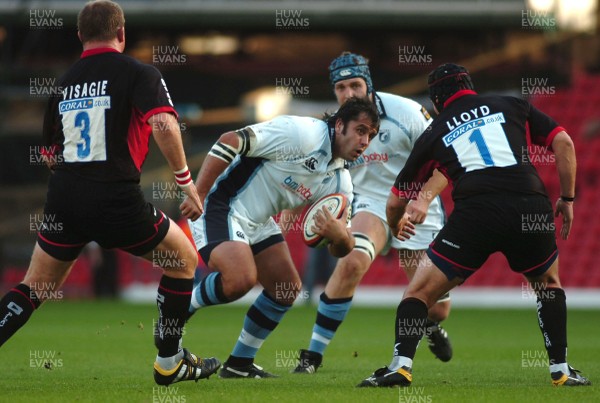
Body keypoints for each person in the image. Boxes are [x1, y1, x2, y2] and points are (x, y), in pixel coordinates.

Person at [0, 0, 220, 386]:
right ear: (122, 34)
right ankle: (170, 362)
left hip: (64, 199)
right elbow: (164, 125)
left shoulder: (64, 82)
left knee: (32, 288)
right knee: (183, 260)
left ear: (80, 36)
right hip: (116, 199)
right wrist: (186, 182)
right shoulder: (138, 72)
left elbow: (52, 156)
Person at [359, 63, 591, 387]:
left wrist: (396, 226)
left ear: (437, 100)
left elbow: (397, 200)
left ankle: (400, 366)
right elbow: (563, 142)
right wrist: (567, 199)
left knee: (419, 293)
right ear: (470, 85)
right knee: (549, 286)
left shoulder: (434, 131)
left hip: (476, 213)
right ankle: (561, 370)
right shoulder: (512, 104)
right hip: (529, 206)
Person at [181, 97, 380, 378]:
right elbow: (230, 139)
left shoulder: (340, 182)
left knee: (286, 289)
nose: (365, 141)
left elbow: (341, 249)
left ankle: (239, 365)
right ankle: (179, 305)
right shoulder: (302, 134)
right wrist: (198, 193)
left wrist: (340, 237)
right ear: (339, 125)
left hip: (259, 221)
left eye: (371, 135)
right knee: (240, 279)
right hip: (221, 203)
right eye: (360, 130)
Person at [293, 52, 451, 374]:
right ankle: (312, 357)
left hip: (415, 205)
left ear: (369, 83)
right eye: (340, 87)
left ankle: (430, 326)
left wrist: (422, 200)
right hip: (371, 203)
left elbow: (448, 161)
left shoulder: (406, 113)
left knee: (436, 308)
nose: (348, 94)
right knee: (352, 260)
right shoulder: (333, 127)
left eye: (355, 84)